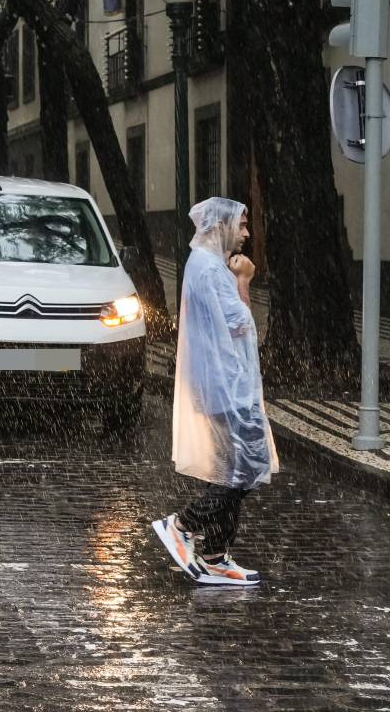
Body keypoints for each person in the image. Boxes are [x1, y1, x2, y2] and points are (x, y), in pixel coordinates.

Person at [152, 197, 277, 587]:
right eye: (241, 225)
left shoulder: (205, 266)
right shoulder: (209, 269)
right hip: (226, 385)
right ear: (220, 225)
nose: (245, 233)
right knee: (243, 472)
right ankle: (182, 524)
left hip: (223, 383)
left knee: (231, 471)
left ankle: (216, 555)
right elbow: (241, 325)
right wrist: (244, 281)